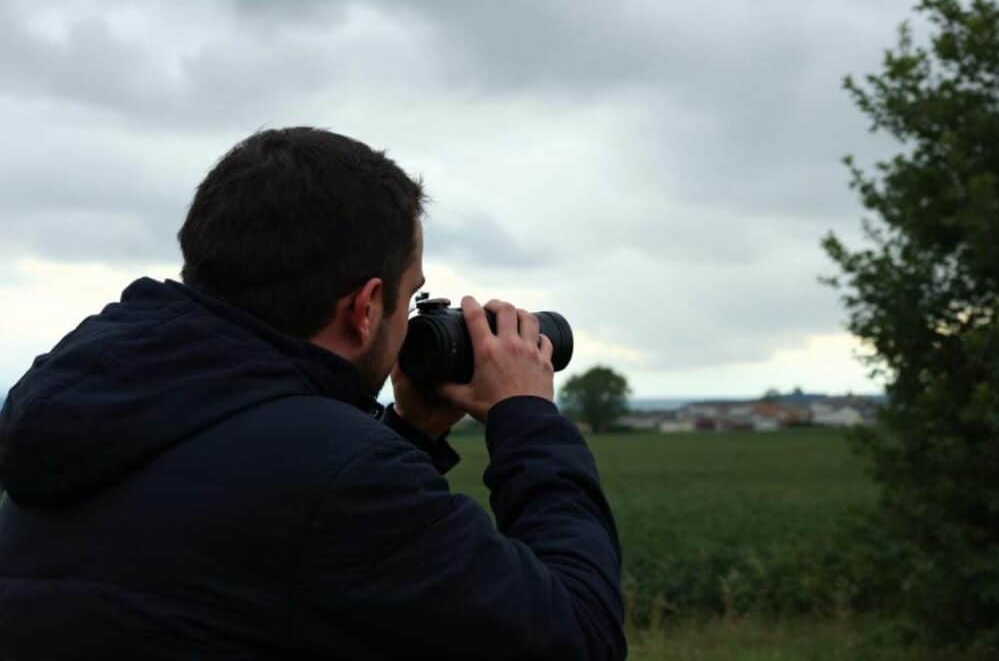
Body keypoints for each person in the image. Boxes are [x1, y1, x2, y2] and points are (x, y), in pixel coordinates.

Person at [0, 128, 626, 660]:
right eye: (410, 298)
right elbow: (578, 637)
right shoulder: (343, 481)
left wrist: (408, 433)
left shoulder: (93, 409)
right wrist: (529, 418)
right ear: (365, 308)